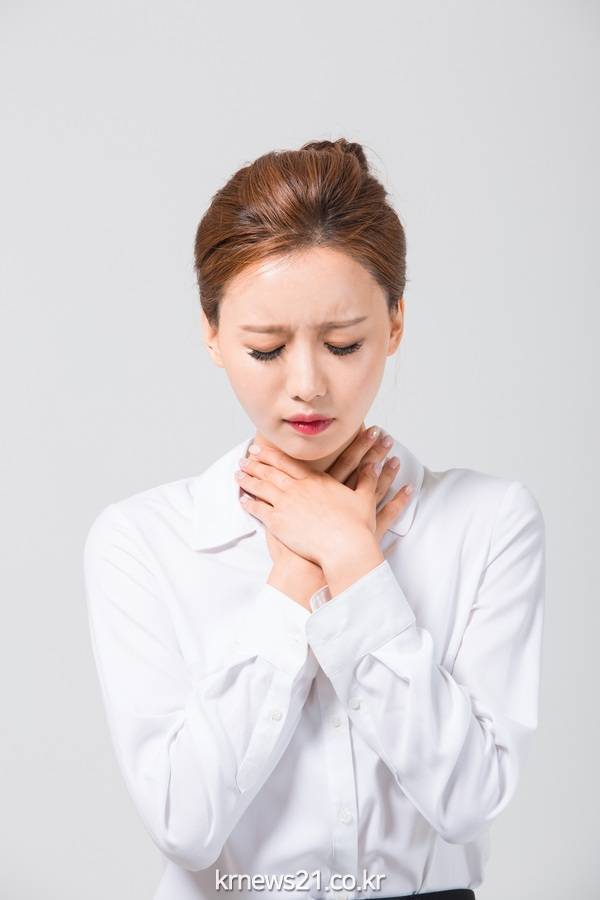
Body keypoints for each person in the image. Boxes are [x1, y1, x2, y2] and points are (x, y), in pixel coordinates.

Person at [83, 138, 545, 900]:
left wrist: (355, 563)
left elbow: (468, 801)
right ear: (212, 334)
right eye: (266, 349)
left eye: (343, 343)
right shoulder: (143, 540)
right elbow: (184, 824)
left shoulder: (488, 522)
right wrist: (298, 575)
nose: (307, 384)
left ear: (395, 323)